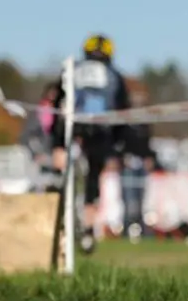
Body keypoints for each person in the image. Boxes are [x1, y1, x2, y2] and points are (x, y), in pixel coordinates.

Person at [50, 33, 131, 253]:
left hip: (71, 130)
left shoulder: (71, 69)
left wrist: (56, 143)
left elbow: (58, 105)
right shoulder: (115, 76)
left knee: (62, 178)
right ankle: (87, 231)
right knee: (93, 182)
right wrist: (118, 146)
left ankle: (58, 224)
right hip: (100, 134)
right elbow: (123, 113)